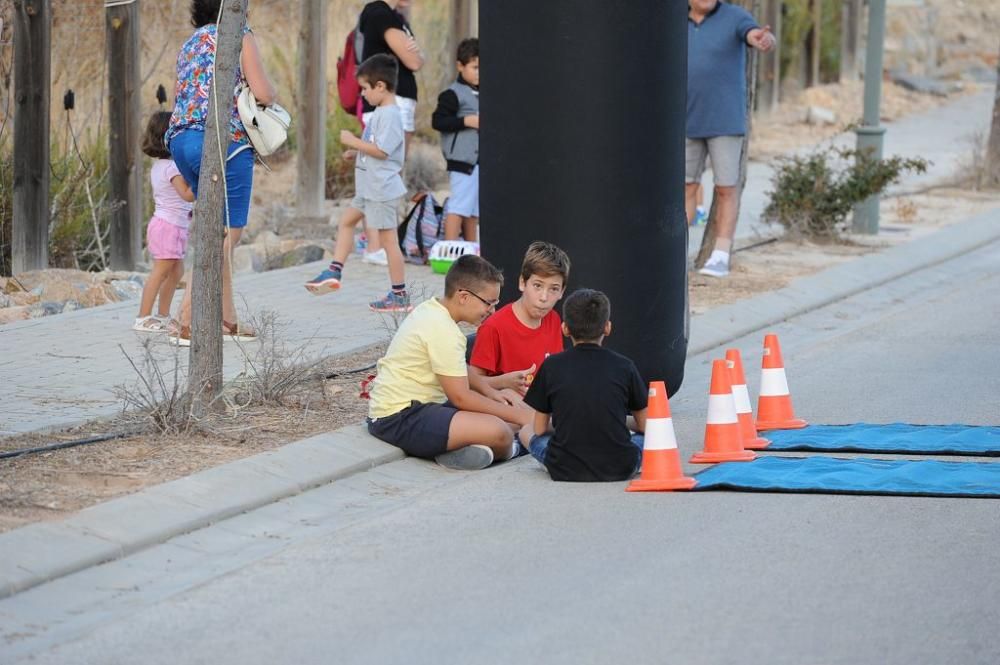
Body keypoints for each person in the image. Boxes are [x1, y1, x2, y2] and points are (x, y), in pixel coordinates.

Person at [165, 0, 278, 345]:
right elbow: (263, 93)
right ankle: (186, 317)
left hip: (182, 141)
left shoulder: (190, 42)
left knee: (216, 228)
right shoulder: (239, 33)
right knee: (228, 233)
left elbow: (179, 97)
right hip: (223, 140)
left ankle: (227, 319)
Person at [367, 254, 533, 471]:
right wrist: (523, 416)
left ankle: (465, 448)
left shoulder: (434, 309)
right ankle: (514, 448)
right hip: (398, 418)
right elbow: (461, 397)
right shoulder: (443, 329)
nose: (492, 310)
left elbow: (454, 367)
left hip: (426, 407)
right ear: (463, 296)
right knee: (499, 430)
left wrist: (492, 390)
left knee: (507, 403)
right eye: (489, 303)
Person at [305, 54, 411, 313]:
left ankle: (399, 294)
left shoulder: (391, 116)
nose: (362, 95)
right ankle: (334, 271)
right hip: (368, 188)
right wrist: (357, 152)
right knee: (346, 221)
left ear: (380, 86)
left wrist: (353, 142)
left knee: (388, 241)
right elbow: (375, 148)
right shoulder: (379, 114)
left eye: (365, 88)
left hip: (381, 189)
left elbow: (384, 151)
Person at [518, 289, 649, 482]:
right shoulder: (624, 365)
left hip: (564, 468)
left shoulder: (552, 365)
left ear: (565, 328)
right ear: (607, 327)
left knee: (525, 431)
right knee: (646, 438)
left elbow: (539, 429)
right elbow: (646, 425)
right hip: (621, 466)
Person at [686, 0, 774, 278]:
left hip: (725, 120)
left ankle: (721, 255)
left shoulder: (735, 17)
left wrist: (762, 38)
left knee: (726, 188)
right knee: (686, 187)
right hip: (686, 120)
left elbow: (752, 33)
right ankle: (678, 254)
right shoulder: (675, 19)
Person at [353, 0, 425, 265]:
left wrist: (418, 55)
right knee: (381, 172)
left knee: (387, 172)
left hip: (396, 104)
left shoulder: (391, 15)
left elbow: (418, 57)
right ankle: (375, 245)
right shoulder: (380, 13)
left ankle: (382, 242)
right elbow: (413, 60)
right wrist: (416, 54)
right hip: (390, 105)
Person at [469, 241, 569, 401]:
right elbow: (471, 384)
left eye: (553, 289)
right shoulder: (493, 327)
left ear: (562, 292)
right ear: (522, 283)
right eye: (537, 286)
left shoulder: (554, 320)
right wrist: (504, 382)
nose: (544, 297)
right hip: (507, 413)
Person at [133, 111, 194, 334]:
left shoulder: (161, 165)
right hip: (168, 227)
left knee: (176, 273)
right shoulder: (172, 168)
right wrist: (203, 181)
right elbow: (187, 195)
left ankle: (162, 315)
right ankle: (142, 317)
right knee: (160, 272)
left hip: (172, 226)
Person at [432, 37, 479, 242]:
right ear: (460, 66)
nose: (480, 72)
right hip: (462, 161)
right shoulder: (452, 94)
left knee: (474, 209)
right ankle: (450, 249)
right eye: (475, 67)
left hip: (479, 162)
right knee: (459, 206)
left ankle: (472, 252)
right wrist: (466, 121)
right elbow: (438, 121)